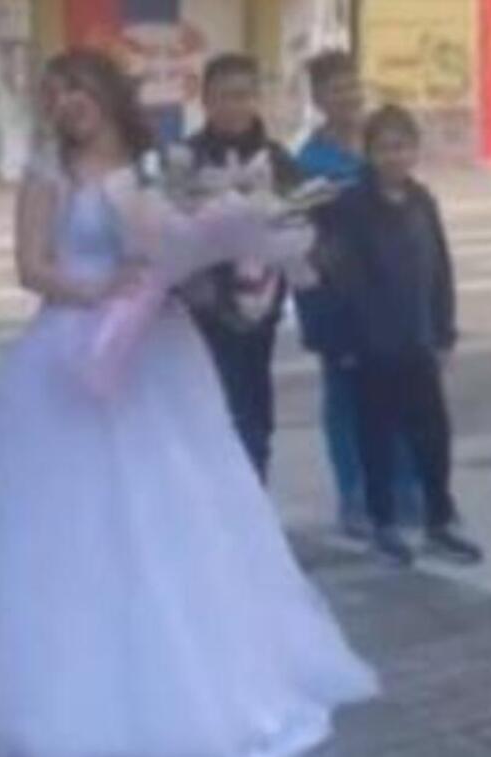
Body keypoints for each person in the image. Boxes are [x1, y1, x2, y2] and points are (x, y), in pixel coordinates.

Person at [0, 49, 375, 757]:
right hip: (73, 351)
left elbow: (189, 243)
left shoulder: (159, 166)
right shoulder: (49, 172)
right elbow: (31, 267)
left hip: (158, 352)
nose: (67, 103)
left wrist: (220, 271)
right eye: (55, 94)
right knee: (67, 521)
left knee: (183, 506)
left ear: (105, 93)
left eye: (78, 88)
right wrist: (98, 290)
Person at [323, 105, 484, 569]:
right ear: (369, 153)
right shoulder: (352, 207)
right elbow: (340, 279)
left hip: (417, 341)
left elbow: (440, 270)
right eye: (385, 148)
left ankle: (439, 520)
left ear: (415, 150)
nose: (395, 157)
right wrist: (346, 343)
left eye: (403, 147)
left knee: (432, 434)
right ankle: (383, 524)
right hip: (371, 346)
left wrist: (444, 332)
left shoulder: (421, 202)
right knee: (375, 436)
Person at [296, 49, 423, 537]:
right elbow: (304, 236)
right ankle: (354, 495)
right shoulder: (310, 162)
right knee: (347, 399)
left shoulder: (378, 148)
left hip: (392, 296)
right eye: (335, 89)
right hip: (340, 301)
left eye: (352, 85)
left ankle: (405, 489)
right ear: (317, 99)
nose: (347, 96)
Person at [185, 53, 301, 481]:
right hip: (203, 311)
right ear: (205, 100)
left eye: (244, 95)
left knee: (254, 415)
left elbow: (302, 224)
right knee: (210, 413)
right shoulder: (186, 158)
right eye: (225, 96)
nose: (236, 106)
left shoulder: (278, 159)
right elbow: (163, 230)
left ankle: (254, 498)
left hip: (260, 308)